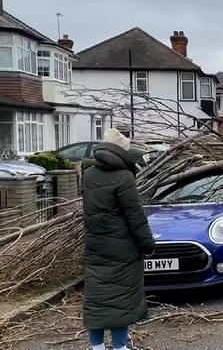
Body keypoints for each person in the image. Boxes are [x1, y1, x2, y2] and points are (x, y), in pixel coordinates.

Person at [82, 129, 155, 350]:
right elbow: (135, 216)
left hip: (96, 247)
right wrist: (148, 244)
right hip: (123, 251)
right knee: (121, 300)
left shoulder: (88, 175)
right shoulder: (124, 178)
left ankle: (97, 347)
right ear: (121, 152)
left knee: (97, 300)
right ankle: (121, 347)